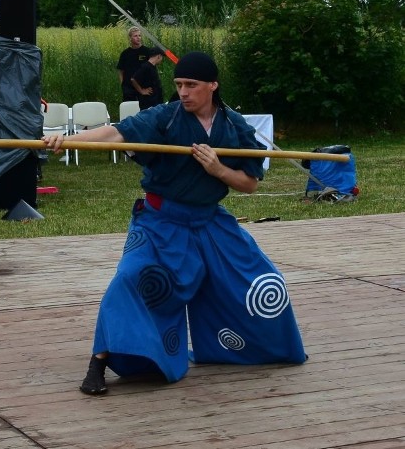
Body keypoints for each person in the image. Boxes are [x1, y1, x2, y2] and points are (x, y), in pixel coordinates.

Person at [43, 51, 306, 394]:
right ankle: (99, 362)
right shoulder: (165, 118)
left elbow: (249, 183)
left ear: (213, 85)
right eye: (179, 84)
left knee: (261, 279)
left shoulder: (235, 126)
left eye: (192, 85)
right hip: (159, 223)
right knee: (130, 278)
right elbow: (116, 133)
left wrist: (217, 169)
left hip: (210, 222)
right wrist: (68, 141)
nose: (183, 92)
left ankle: (264, 347)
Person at [116, 26, 150, 102]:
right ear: (130, 38)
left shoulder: (147, 51)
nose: (138, 38)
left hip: (143, 86)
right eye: (135, 36)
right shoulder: (125, 53)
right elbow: (121, 70)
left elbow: (151, 69)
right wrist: (123, 85)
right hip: (129, 88)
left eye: (139, 35)